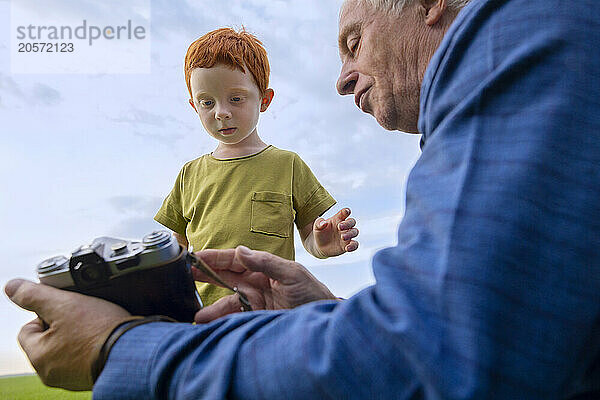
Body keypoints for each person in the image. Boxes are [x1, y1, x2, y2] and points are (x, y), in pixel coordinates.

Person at [6, 0, 600, 398]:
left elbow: (436, 350)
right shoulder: (189, 173)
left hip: (227, 343)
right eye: (206, 103)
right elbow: (170, 244)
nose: (342, 78)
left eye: (353, 40)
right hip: (224, 327)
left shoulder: (517, 41)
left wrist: (121, 347)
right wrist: (323, 310)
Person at [155, 27, 359, 306]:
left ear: (264, 100)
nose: (221, 112)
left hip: (274, 315)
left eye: (236, 98)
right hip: (207, 322)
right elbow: (176, 251)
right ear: (194, 106)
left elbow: (311, 237)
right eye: (207, 102)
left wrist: (323, 244)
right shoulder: (189, 174)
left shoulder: (288, 165)